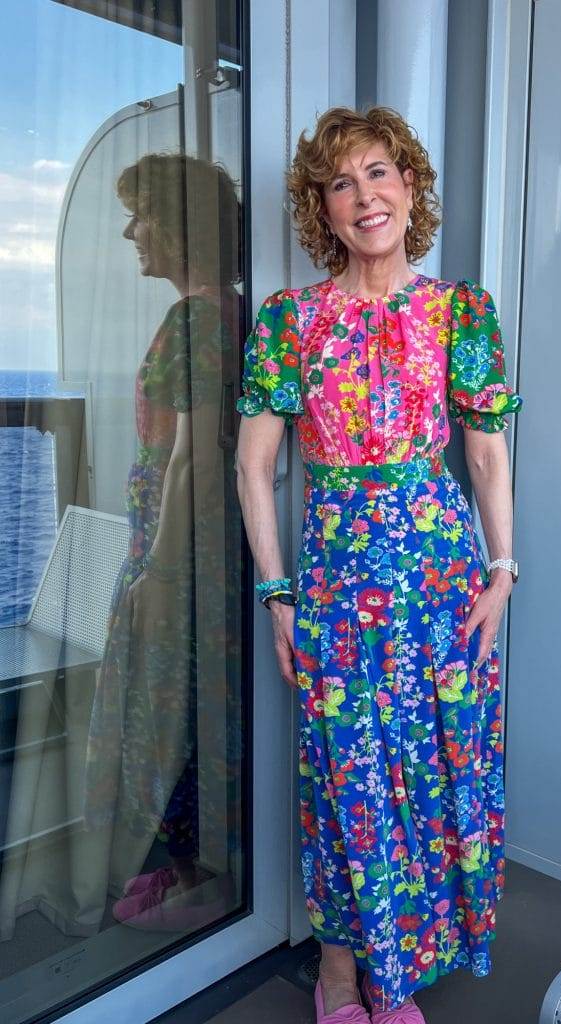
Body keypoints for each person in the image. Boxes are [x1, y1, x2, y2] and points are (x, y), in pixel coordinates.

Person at [236, 106, 522, 1023]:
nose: (366, 196)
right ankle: (338, 977)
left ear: (410, 187)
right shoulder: (291, 321)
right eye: (343, 182)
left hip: (442, 581)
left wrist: (503, 570)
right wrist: (278, 595)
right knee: (344, 773)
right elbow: (253, 465)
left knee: (440, 765)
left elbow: (484, 457)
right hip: (337, 588)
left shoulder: (460, 312)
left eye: (380, 173)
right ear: (323, 207)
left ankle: (401, 972)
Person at [84, 152, 242, 931]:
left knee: (169, 708)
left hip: (179, 555)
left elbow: (193, 458)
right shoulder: (230, 310)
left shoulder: (199, 318)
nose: (130, 231)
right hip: (195, 552)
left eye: (142, 215)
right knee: (198, 706)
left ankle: (196, 880)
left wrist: (158, 572)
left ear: (178, 227)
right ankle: (193, 870)